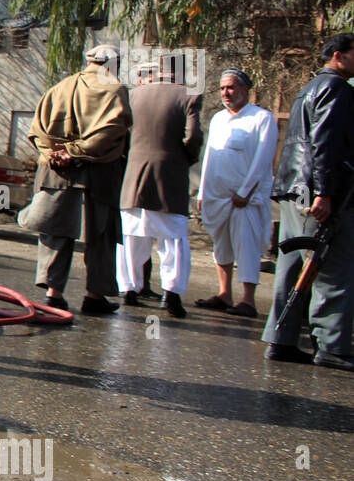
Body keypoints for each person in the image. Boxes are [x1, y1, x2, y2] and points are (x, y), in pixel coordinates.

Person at [261, 32, 354, 370]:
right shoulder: (336, 89)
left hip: (295, 190)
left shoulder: (309, 88)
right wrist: (326, 192)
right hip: (315, 193)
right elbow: (325, 143)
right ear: (339, 56)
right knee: (332, 267)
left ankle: (281, 338)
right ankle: (331, 344)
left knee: (292, 267)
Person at [21, 43, 133, 314]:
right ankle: (95, 296)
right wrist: (76, 151)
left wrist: (57, 154)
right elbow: (112, 129)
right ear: (114, 65)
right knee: (101, 234)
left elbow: (37, 131)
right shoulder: (116, 90)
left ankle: (53, 293)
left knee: (57, 230)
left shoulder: (60, 87)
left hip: (57, 172)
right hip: (100, 175)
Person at [115, 58, 203, 317]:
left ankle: (129, 289)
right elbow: (193, 136)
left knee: (131, 235)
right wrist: (185, 158)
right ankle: (171, 294)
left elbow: (122, 132)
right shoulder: (189, 95)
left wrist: (130, 158)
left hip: (134, 173)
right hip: (170, 173)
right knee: (173, 237)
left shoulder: (134, 95)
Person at [195, 68, 277, 317]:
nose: (226, 93)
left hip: (245, 200)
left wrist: (245, 192)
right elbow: (209, 156)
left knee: (246, 247)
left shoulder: (262, 118)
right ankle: (224, 294)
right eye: (222, 88)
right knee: (221, 246)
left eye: (230, 87)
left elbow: (263, 160)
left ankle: (248, 300)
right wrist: (201, 193)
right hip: (218, 196)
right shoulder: (219, 118)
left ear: (244, 89)